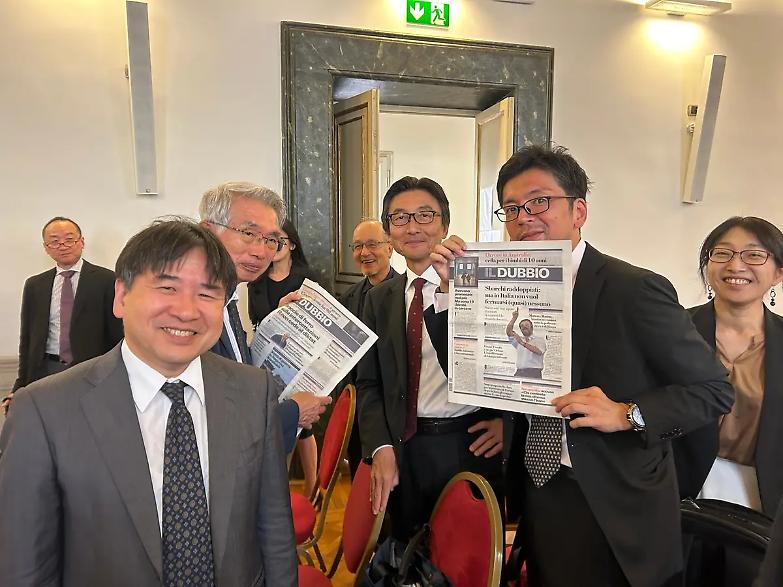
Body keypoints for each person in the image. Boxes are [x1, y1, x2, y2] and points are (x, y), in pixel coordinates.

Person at [431, 145, 734, 587]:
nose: (523, 217)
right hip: (539, 484)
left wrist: (628, 413)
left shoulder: (634, 289)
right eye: (511, 208)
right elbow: (468, 376)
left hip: (616, 499)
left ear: (579, 212)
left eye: (539, 201)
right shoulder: (501, 283)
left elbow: (713, 389)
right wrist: (449, 292)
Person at [0, 219, 296, 586]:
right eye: (167, 287)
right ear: (121, 296)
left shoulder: (253, 390)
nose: (187, 311)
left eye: (207, 294)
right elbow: (25, 568)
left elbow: (274, 528)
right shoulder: (43, 411)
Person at [356, 176, 503, 541]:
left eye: (425, 215)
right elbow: (369, 382)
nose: (413, 227)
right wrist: (380, 447)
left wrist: (508, 423)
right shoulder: (379, 299)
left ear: (445, 224)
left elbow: (506, 365)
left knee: (466, 553)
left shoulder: (482, 286)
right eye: (400, 217)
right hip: (402, 448)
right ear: (389, 231)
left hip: (467, 443)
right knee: (406, 551)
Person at [199, 182, 330, 453]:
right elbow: (213, 423)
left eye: (271, 240)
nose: (261, 252)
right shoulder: (191, 312)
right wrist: (293, 413)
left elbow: (236, 366)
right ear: (207, 233)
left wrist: (279, 322)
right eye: (248, 233)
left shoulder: (230, 299)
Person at [673, 217, 783, 516]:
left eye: (754, 255)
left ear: (778, 273)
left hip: (764, 496)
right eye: (722, 253)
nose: (735, 265)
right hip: (674, 489)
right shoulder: (673, 329)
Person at [4, 217, 123, 414]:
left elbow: (117, 334)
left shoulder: (106, 280)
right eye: (54, 241)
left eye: (69, 239)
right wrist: (21, 384)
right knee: (50, 423)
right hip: (46, 369)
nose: (63, 246)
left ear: (81, 242)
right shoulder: (35, 285)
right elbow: (27, 339)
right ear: (46, 247)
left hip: (92, 369)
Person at [247, 219, 321, 496]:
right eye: (270, 239)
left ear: (292, 245)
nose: (274, 245)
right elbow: (256, 321)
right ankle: (280, 486)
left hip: (302, 357)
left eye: (279, 239)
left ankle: (313, 486)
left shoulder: (307, 278)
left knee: (305, 425)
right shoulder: (256, 280)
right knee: (274, 419)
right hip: (268, 358)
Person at [340, 219, 398, 475]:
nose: (364, 252)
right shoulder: (348, 298)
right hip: (358, 412)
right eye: (358, 246)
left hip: (394, 411)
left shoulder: (407, 294)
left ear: (390, 248)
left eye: (372, 244)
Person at [506, 311, 546, 378]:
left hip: (534, 373)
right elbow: (508, 332)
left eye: (526, 325)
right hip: (519, 373)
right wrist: (514, 318)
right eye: (522, 326)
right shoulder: (519, 339)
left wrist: (522, 343)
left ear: (531, 327)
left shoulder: (539, 340)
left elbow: (539, 351)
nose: (524, 327)